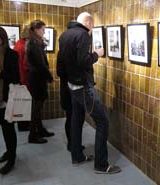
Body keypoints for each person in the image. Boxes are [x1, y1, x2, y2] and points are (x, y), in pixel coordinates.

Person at [58, 12, 121, 174]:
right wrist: (97, 54)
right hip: (83, 87)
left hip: (71, 84)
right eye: (92, 25)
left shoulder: (65, 35)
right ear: (87, 22)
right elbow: (83, 61)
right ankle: (101, 165)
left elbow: (64, 62)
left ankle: (77, 156)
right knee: (103, 122)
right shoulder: (83, 35)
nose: (92, 29)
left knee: (76, 119)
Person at [0, 27, 20, 174]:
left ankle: (12, 158)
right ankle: (9, 152)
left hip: (7, 97)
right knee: (3, 126)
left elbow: (15, 78)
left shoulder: (11, 54)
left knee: (9, 128)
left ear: (2, 37)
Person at [57, 20, 85, 152]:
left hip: (66, 88)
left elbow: (59, 71)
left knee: (71, 116)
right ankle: (74, 145)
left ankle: (73, 143)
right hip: (73, 89)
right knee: (74, 117)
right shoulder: (71, 55)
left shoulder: (62, 52)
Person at [26, 20, 54, 144]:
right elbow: (41, 64)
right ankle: (32, 135)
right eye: (43, 29)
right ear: (36, 30)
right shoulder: (33, 43)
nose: (44, 32)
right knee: (36, 108)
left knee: (37, 106)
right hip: (37, 78)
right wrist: (49, 76)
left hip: (37, 77)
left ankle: (40, 130)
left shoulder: (34, 42)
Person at [13, 26, 30, 132]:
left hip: (18, 77)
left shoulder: (18, 43)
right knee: (24, 103)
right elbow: (26, 65)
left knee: (20, 102)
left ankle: (21, 125)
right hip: (24, 77)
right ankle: (24, 126)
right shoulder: (25, 46)